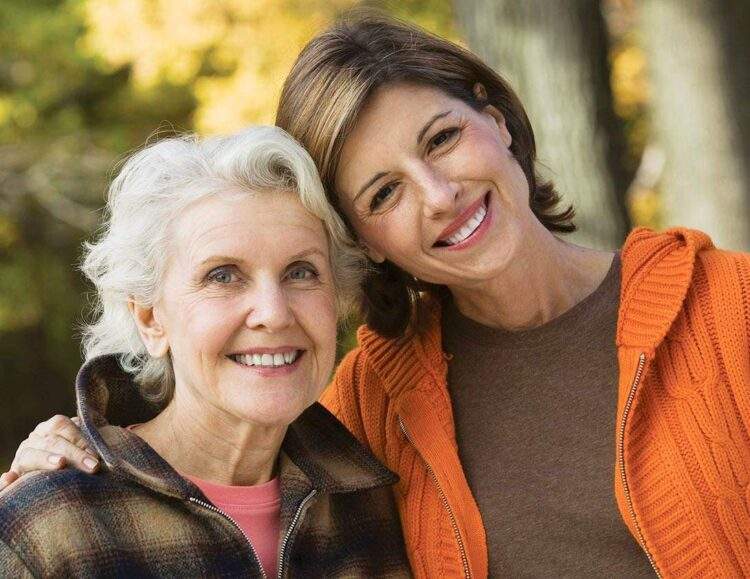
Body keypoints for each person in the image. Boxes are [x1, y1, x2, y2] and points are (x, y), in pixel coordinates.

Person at [4, 15, 750, 578]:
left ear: (496, 121)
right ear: (365, 242)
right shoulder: (373, 407)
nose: (439, 194)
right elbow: (209, 423)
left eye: (441, 138)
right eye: (385, 190)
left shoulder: (731, 310)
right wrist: (70, 449)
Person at [0, 126, 411, 577]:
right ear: (150, 319)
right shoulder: (50, 527)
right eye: (222, 276)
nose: (274, 314)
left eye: (300, 271)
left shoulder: (370, 504)